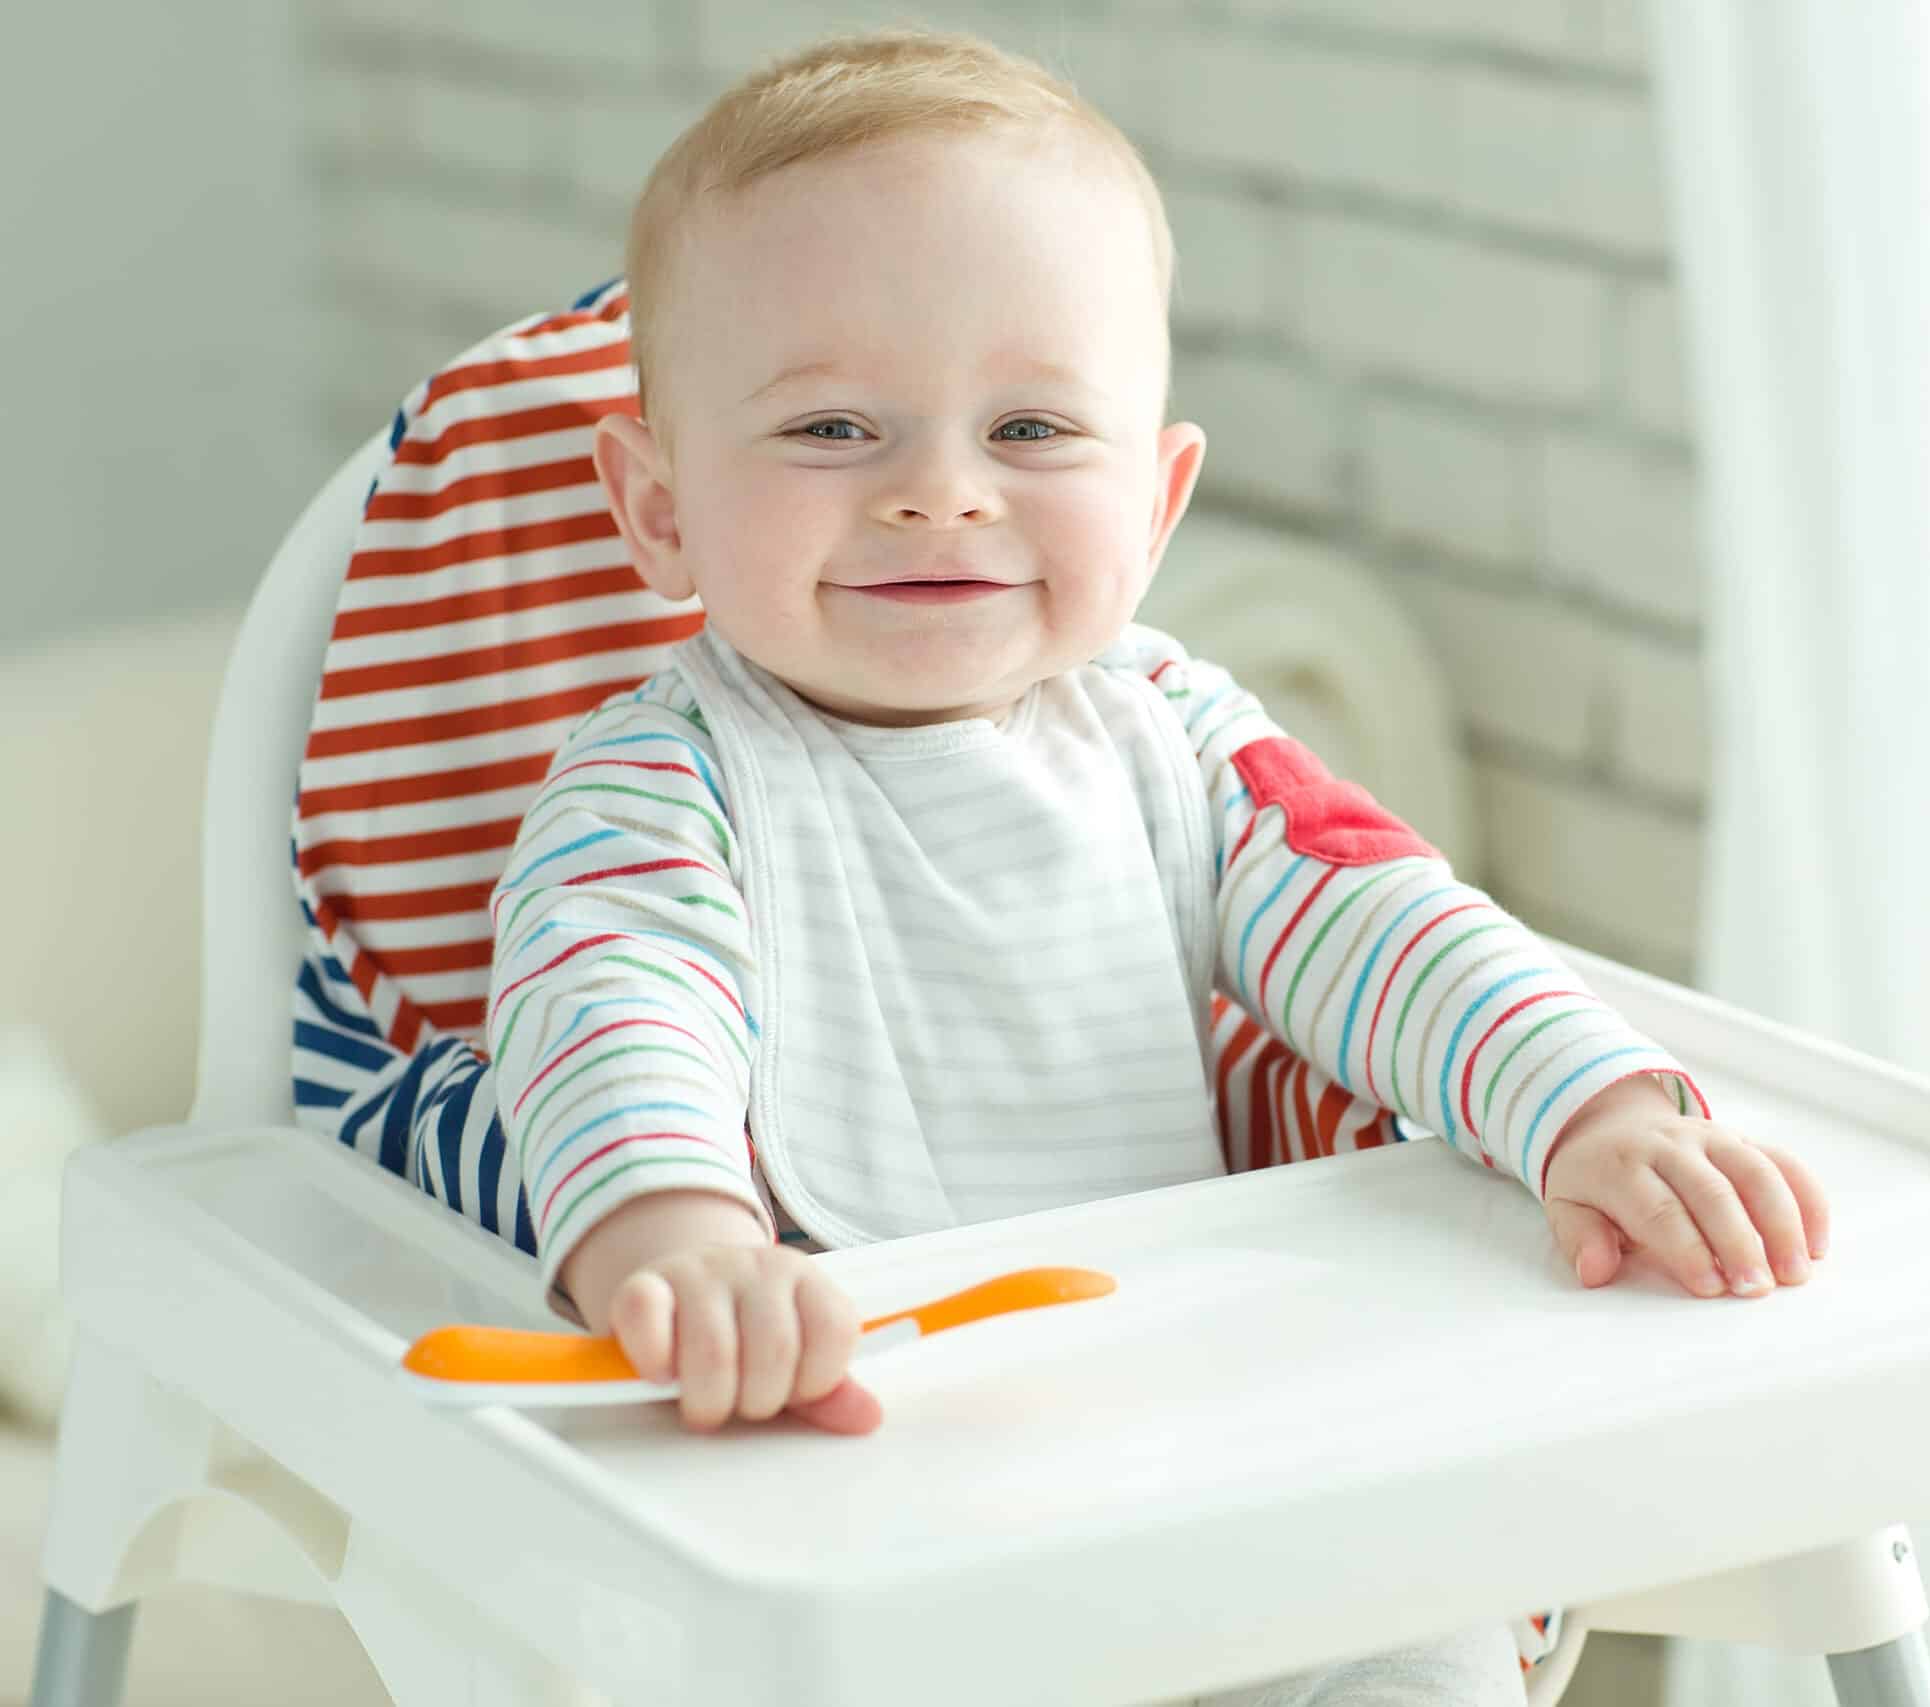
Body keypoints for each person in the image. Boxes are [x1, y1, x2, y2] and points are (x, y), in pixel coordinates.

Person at [485, 28, 1831, 1705]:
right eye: (833, 427)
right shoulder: (661, 784)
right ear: (660, 504)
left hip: (1215, 1444)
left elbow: (1379, 914)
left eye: (1034, 426)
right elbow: (614, 996)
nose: (939, 495)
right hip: (867, 1480)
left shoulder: (1175, 737)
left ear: (1162, 495)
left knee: (1421, 1644)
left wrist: (1595, 1110)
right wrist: (680, 1247)